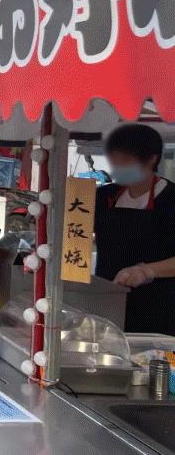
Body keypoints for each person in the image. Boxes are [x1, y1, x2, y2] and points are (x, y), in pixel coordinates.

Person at [95, 124, 175, 334]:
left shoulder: (171, 199)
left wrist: (147, 270)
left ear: (152, 159)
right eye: (115, 161)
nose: (118, 167)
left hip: (157, 312)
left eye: (126, 161)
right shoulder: (103, 197)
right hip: (106, 305)